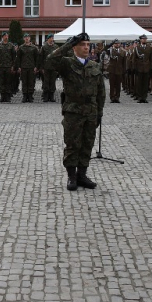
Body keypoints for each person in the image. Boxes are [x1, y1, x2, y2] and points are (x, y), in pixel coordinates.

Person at [47, 32, 105, 191]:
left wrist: (99, 112)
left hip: (91, 111)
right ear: (75, 47)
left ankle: (82, 175)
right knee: (72, 144)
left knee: (87, 144)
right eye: (82, 45)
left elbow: (101, 91)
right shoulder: (67, 63)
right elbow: (50, 61)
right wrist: (67, 44)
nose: (86, 47)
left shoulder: (94, 66)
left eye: (88, 45)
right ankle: (72, 177)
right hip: (73, 110)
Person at [16, 33, 39, 102]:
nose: (27, 38)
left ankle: (30, 95)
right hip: (23, 67)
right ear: (24, 39)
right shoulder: (21, 47)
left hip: (31, 67)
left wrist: (36, 67)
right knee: (24, 82)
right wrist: (19, 67)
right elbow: (18, 58)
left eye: (28, 37)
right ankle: (25, 96)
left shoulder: (34, 48)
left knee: (31, 82)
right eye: (25, 37)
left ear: (30, 38)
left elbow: (37, 58)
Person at [0, 32, 16, 102]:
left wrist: (13, 66)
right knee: (2, 82)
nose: (6, 37)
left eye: (7, 36)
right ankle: (2, 96)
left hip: (9, 67)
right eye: (5, 36)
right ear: (2, 37)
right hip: (1, 67)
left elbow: (14, 57)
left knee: (8, 82)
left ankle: (8, 97)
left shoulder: (11, 46)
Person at [39, 35, 58, 102]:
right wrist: (41, 68)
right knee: (46, 82)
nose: (52, 39)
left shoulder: (55, 47)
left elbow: (58, 57)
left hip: (54, 67)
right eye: (50, 38)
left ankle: (51, 96)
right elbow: (41, 58)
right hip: (46, 67)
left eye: (52, 38)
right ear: (48, 39)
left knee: (52, 82)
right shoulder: (44, 47)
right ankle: (46, 96)